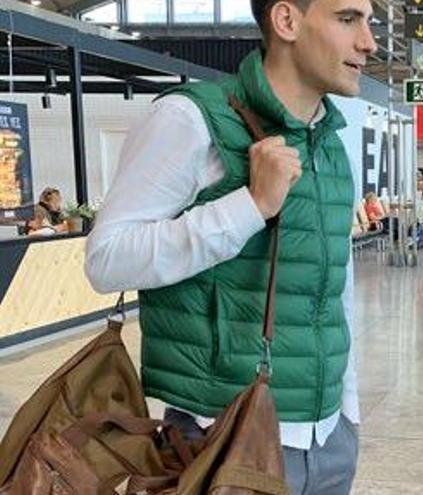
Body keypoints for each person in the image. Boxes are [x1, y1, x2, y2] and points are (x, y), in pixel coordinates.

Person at [85, 1, 377, 493]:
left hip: (327, 440)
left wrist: (346, 414)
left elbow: (334, 290)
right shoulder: (190, 118)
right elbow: (106, 259)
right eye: (348, 19)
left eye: (369, 23)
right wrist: (249, 206)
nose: (368, 42)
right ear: (287, 21)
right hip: (222, 441)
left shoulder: (329, 141)